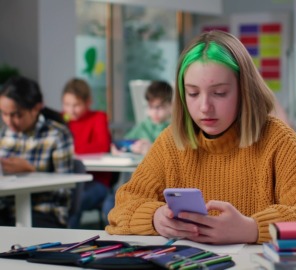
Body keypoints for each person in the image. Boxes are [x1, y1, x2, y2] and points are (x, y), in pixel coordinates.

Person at [105, 30, 296, 244]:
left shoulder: (277, 138)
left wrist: (253, 229)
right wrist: (155, 218)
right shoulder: (171, 141)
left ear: (244, 91)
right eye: (193, 93)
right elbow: (123, 206)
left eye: (219, 93)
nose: (205, 106)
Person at [0, 76, 74, 227]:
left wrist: (31, 170)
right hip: (7, 208)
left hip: (44, 211)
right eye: (4, 114)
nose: (9, 121)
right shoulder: (5, 133)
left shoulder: (57, 134)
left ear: (35, 109)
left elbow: (64, 190)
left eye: (17, 115)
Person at [103, 80, 173, 222]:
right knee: (110, 204)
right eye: (151, 107)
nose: (154, 112)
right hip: (138, 182)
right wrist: (121, 148)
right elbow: (128, 141)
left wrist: (151, 149)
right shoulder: (143, 125)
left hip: (160, 187)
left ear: (171, 106)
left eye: (160, 107)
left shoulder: (173, 127)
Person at [61, 78, 113, 228]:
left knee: (74, 199)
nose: (70, 110)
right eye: (67, 105)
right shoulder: (62, 119)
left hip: (97, 181)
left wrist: (71, 148)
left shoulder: (98, 117)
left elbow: (103, 145)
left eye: (76, 105)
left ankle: (68, 238)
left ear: (88, 102)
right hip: (69, 179)